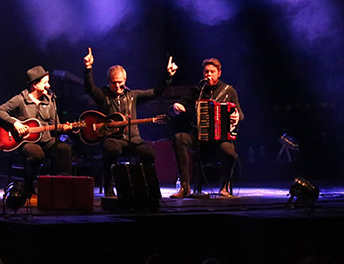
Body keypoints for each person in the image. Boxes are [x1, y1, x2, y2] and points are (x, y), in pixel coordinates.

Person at [83, 48, 178, 196]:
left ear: (125, 80)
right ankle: (109, 188)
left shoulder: (132, 95)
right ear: (109, 82)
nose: (118, 87)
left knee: (149, 153)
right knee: (111, 151)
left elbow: (155, 92)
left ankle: (147, 188)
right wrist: (88, 68)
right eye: (114, 83)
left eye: (121, 83)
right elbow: (89, 89)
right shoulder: (103, 95)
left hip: (133, 138)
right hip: (112, 139)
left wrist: (168, 77)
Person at [170, 58, 243, 198]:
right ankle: (185, 186)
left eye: (212, 72)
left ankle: (224, 186)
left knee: (229, 152)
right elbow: (179, 105)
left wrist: (237, 116)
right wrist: (177, 107)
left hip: (220, 139)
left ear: (219, 73)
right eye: (206, 72)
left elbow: (240, 113)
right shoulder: (196, 91)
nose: (209, 75)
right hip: (198, 137)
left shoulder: (229, 91)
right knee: (179, 138)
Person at [0, 65, 73, 195]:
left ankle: (63, 188)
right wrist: (16, 123)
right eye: (45, 82)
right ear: (35, 85)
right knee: (36, 154)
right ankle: (29, 187)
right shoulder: (20, 99)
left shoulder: (50, 101)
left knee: (64, 149)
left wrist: (64, 128)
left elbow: (55, 125)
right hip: (26, 141)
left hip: (47, 140)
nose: (48, 85)